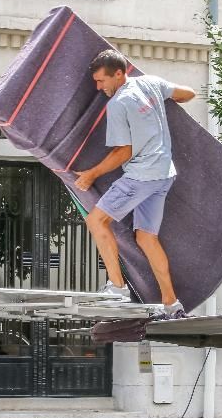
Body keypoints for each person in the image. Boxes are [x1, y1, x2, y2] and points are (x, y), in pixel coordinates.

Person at [75, 49, 196, 316]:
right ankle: (171, 303)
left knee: (96, 221)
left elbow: (123, 152)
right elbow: (187, 94)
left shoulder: (118, 103)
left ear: (119, 74)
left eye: (101, 81)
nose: (98, 87)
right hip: (164, 173)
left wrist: (91, 174)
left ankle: (117, 287)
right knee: (146, 237)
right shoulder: (151, 83)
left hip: (141, 177)